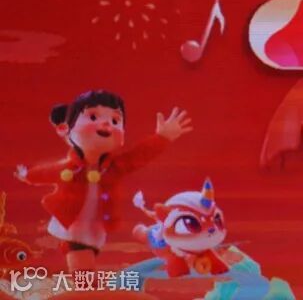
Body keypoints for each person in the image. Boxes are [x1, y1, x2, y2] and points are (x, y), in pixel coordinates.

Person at [14, 90, 194, 271]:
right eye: (93, 117)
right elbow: (46, 173)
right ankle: (77, 267)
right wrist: (27, 175)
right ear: (66, 129)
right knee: (83, 266)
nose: (107, 123)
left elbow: (139, 155)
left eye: (115, 120)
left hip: (95, 228)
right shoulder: (69, 169)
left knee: (87, 261)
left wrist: (162, 138)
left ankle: (79, 268)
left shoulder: (115, 167)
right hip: (72, 226)